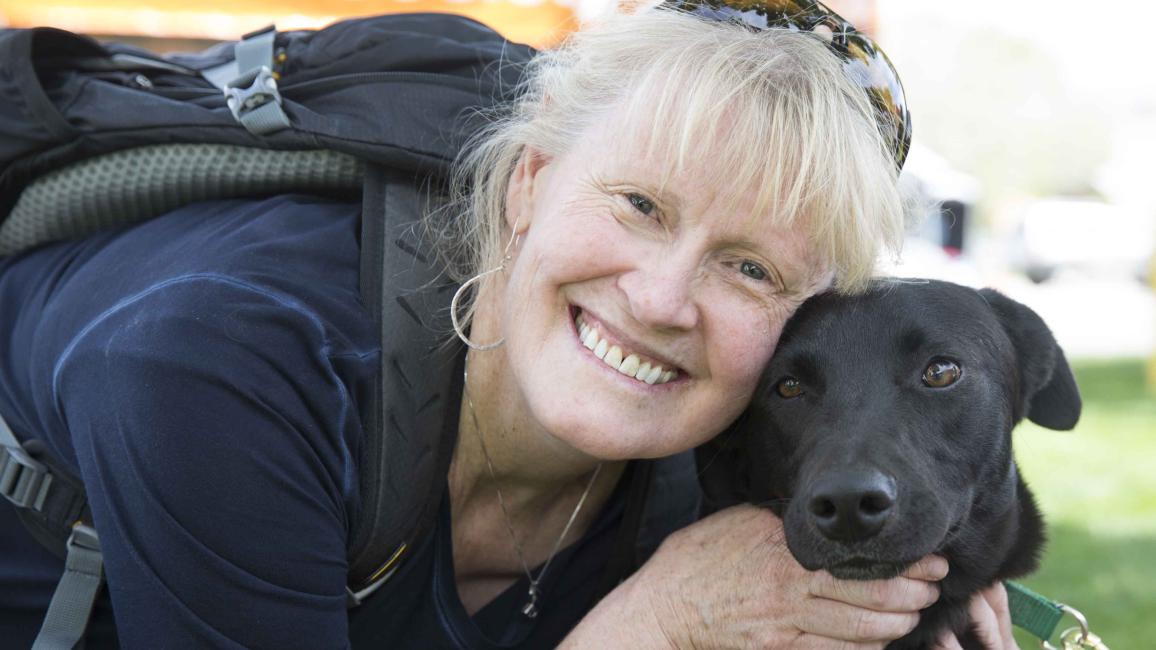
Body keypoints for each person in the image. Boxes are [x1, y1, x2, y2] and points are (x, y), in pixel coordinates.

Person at [0, 2, 1018, 648]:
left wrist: (937, 587)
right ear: (528, 182)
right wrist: (648, 625)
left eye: (748, 266)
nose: (662, 299)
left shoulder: (708, 452)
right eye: (640, 206)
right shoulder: (222, 362)